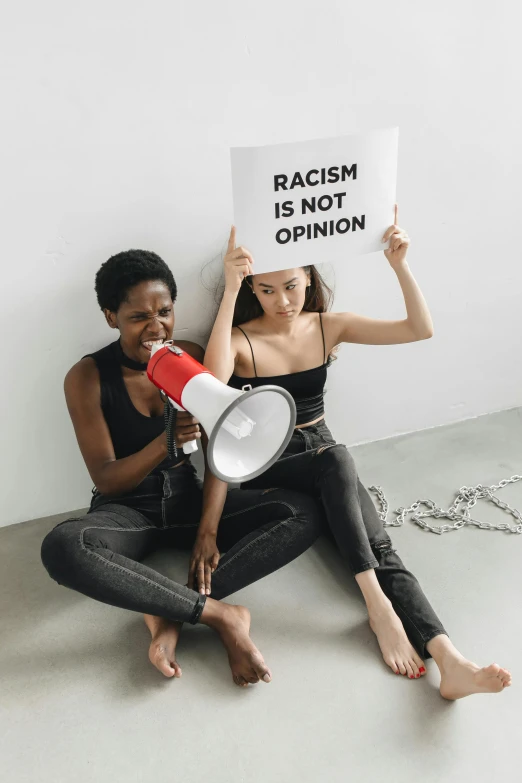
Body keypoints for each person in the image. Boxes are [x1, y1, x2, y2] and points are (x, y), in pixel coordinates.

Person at [203, 206, 512, 700]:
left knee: (379, 543)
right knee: (338, 459)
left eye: (291, 285)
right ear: (251, 291)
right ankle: (378, 607)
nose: (282, 300)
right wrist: (231, 287)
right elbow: (212, 382)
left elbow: (418, 329)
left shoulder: (329, 326)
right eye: (266, 289)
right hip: (270, 462)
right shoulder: (241, 339)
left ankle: (450, 660)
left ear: (308, 276)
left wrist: (399, 264)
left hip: (324, 453)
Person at [41, 249, 325, 687]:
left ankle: (170, 611)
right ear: (110, 317)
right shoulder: (87, 377)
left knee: (302, 512)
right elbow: (107, 478)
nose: (156, 328)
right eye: (138, 317)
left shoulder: (190, 356)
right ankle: (219, 615)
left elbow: (220, 454)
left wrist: (208, 531)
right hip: (128, 511)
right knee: (63, 546)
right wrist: (165, 443)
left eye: (165, 312)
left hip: (190, 500)